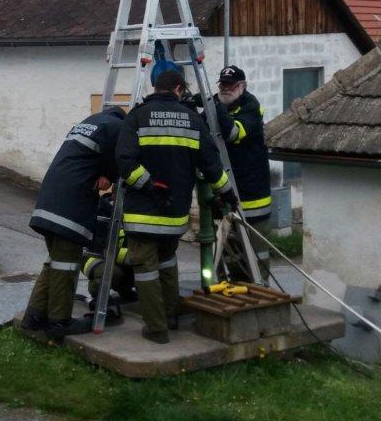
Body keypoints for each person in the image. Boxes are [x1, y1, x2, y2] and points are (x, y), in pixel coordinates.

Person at [116, 71, 238, 344]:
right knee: (168, 262)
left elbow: (124, 162)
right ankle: (171, 316)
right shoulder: (193, 120)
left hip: (141, 214)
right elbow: (212, 165)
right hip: (174, 215)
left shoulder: (136, 117)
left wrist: (149, 185)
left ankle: (156, 329)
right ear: (179, 89)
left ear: (155, 87)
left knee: (146, 270)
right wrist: (228, 193)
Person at [23, 107, 127, 341]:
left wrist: (102, 172)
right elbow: (119, 158)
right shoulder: (117, 127)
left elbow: (88, 159)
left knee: (54, 263)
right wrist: (110, 175)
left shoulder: (89, 124)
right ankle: (59, 322)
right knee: (66, 266)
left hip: (48, 203)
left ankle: (34, 316)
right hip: (70, 207)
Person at [216, 65, 272, 277]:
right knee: (231, 254)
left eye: (230, 85)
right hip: (226, 194)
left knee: (257, 254)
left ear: (242, 86)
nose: (225, 89)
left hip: (252, 196)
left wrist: (215, 107)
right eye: (222, 84)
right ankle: (236, 286)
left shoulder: (251, 106)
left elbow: (233, 133)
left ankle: (261, 291)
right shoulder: (216, 102)